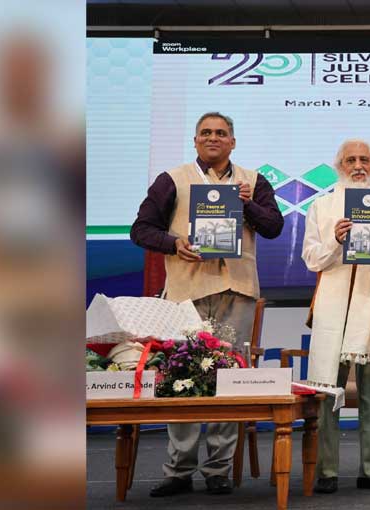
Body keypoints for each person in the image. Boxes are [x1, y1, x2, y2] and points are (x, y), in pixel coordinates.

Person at [130, 111, 283, 497]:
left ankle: (217, 468)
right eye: (206, 133)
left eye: (221, 133)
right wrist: (174, 243)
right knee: (181, 378)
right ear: (195, 141)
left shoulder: (253, 181)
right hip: (186, 294)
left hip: (237, 291)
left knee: (228, 381)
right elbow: (141, 229)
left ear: (233, 142)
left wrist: (248, 205)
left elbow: (274, 227)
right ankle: (179, 469)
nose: (213, 138)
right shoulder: (173, 179)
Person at [301, 139, 370, 494]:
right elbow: (311, 260)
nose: (358, 165)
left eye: (365, 159)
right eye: (351, 160)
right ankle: (327, 471)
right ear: (339, 166)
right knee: (327, 390)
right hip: (332, 309)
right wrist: (336, 240)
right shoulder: (321, 207)